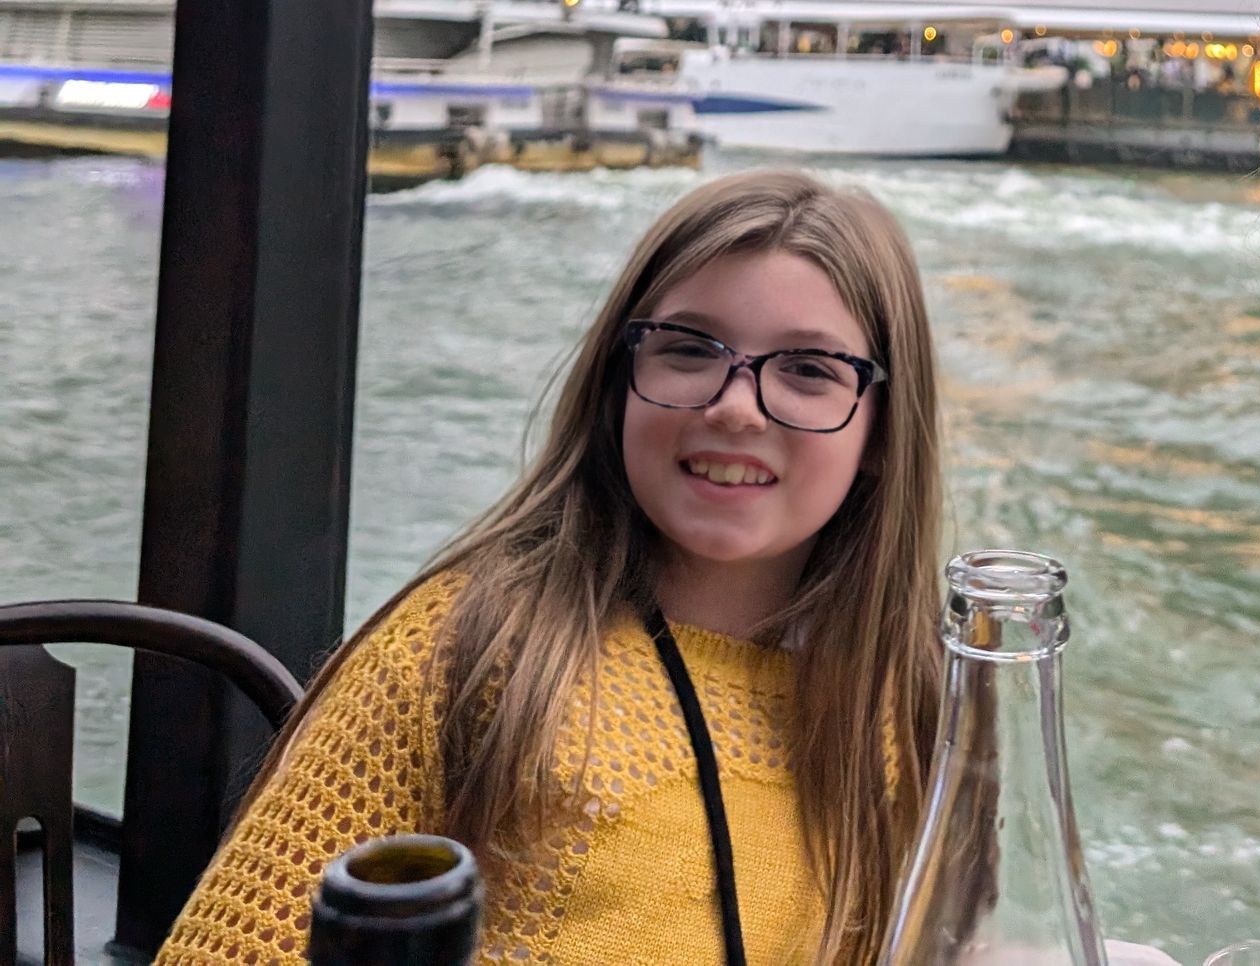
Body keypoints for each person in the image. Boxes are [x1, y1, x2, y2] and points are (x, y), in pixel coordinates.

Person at [156, 170, 944, 966]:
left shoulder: (896, 706)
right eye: (689, 349)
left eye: (809, 369)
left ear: (883, 429)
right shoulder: (469, 651)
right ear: (615, 383)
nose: (736, 406)